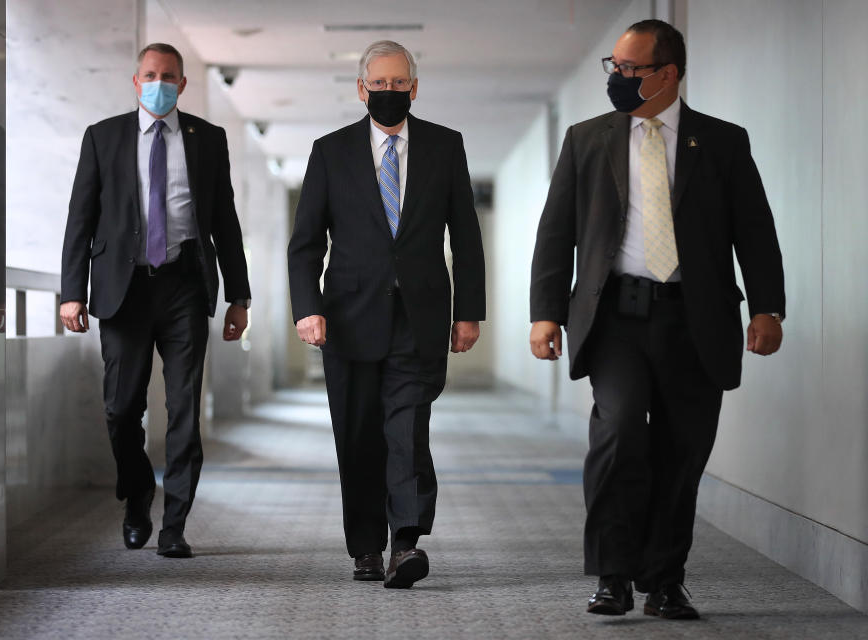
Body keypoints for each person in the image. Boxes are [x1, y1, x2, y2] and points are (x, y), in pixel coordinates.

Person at [529, 20, 785, 619]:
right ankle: (613, 576)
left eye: (629, 69)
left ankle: (665, 580)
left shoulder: (721, 142)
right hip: (615, 315)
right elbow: (556, 233)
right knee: (618, 436)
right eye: (612, 67)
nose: (616, 78)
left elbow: (754, 230)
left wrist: (768, 306)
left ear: (667, 74)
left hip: (694, 318)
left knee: (682, 449)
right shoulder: (586, 139)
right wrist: (545, 314)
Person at [288, 40, 485, 588]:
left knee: (408, 430)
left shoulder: (446, 148)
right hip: (348, 320)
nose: (390, 93)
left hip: (419, 317)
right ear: (362, 89)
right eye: (380, 84)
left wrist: (468, 312)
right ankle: (366, 547)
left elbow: (466, 237)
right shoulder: (330, 152)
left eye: (400, 84)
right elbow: (304, 244)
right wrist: (307, 309)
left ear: (414, 89)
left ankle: (406, 543)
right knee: (357, 436)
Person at [60, 43, 251, 559]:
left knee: (185, 409)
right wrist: (72, 292)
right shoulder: (103, 137)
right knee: (121, 409)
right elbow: (80, 219)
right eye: (150, 75)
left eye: (168, 76)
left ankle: (175, 524)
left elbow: (225, 221)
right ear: (135, 80)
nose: (158, 83)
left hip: (185, 285)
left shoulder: (208, 139)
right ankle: (138, 492)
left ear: (183, 84)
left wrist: (240, 296)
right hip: (124, 291)